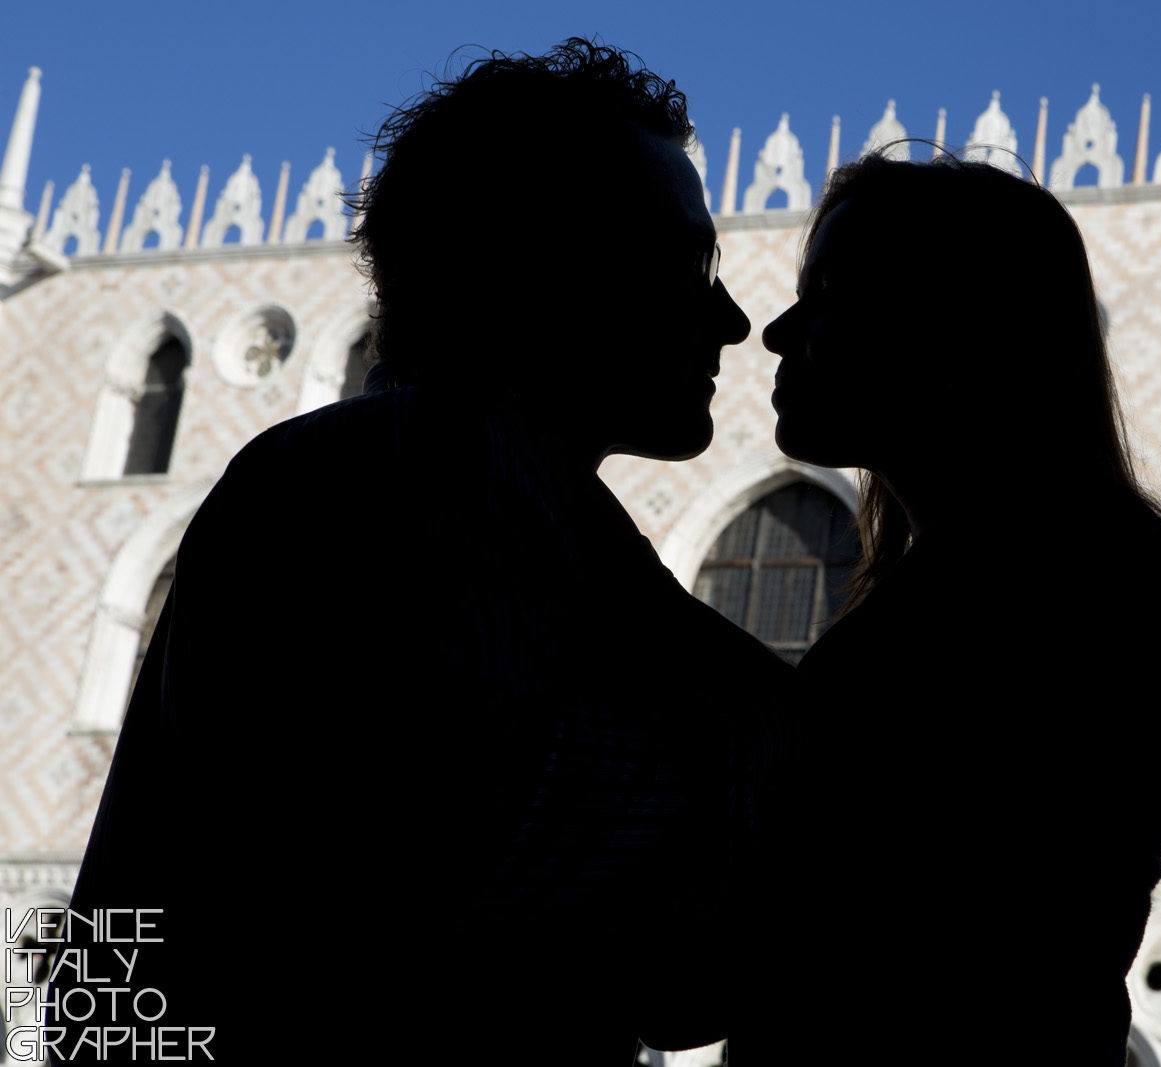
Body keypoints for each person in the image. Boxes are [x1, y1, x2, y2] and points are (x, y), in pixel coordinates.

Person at [50, 41, 791, 1064]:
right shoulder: (402, 471)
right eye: (680, 265)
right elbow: (537, 871)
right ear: (534, 269)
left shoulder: (471, 495)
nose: (731, 317)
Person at [740, 154, 1161, 1064]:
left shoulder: (1061, 596)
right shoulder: (1055, 573)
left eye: (833, 293)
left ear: (960, 328)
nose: (778, 331)